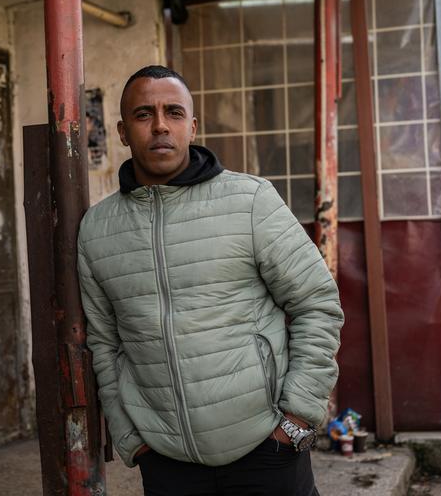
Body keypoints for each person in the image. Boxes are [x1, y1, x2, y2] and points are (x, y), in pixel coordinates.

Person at [77, 66, 344, 495]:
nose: (161, 125)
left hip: (267, 450)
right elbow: (105, 344)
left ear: (192, 126)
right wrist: (132, 437)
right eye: (144, 114)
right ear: (123, 131)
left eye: (174, 112)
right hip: (166, 462)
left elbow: (317, 303)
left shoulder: (250, 201)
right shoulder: (96, 230)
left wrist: (296, 418)